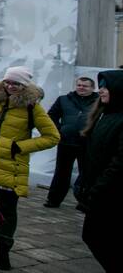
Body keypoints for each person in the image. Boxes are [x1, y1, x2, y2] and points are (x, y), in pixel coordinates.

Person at [0, 65, 59, 270]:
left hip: (10, 165)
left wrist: (21, 147)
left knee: (7, 211)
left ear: (24, 85)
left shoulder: (32, 106)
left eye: (16, 83)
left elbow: (52, 137)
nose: (10, 86)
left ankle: (2, 250)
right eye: (8, 82)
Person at [73, 70, 123, 273]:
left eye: (105, 87)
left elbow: (118, 162)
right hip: (99, 190)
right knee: (98, 238)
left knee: (103, 240)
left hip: (110, 196)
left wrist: (97, 189)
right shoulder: (105, 115)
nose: (100, 90)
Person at [44, 76, 98, 207]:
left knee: (86, 173)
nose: (81, 88)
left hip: (87, 143)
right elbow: (51, 116)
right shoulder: (64, 99)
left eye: (85, 86)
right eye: (79, 85)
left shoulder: (99, 101)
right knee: (61, 172)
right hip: (66, 142)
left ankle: (83, 201)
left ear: (92, 88)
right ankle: (53, 200)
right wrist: (59, 130)